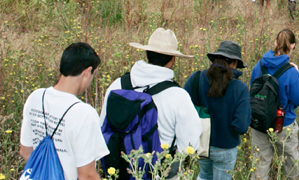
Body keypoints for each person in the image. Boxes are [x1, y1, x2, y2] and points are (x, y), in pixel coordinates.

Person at [100, 29, 202, 180]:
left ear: (146, 54)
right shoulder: (178, 95)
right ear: (173, 59)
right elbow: (190, 144)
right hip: (159, 171)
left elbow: (102, 126)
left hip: (119, 169)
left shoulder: (118, 85)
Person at [20, 43, 109, 180]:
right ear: (87, 72)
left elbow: (25, 152)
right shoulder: (84, 113)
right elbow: (87, 175)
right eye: (93, 75)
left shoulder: (36, 97)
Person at [184, 41, 251, 180]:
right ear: (234, 63)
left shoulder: (196, 78)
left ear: (215, 59)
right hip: (225, 147)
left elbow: (183, 110)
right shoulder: (240, 88)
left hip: (201, 143)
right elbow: (241, 126)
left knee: (204, 175)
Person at [250, 29, 299, 180]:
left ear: (275, 43)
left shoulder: (259, 65)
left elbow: (253, 89)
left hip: (259, 121)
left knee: (260, 164)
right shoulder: (291, 72)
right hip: (283, 123)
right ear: (292, 46)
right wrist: (298, 73)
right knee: (290, 166)